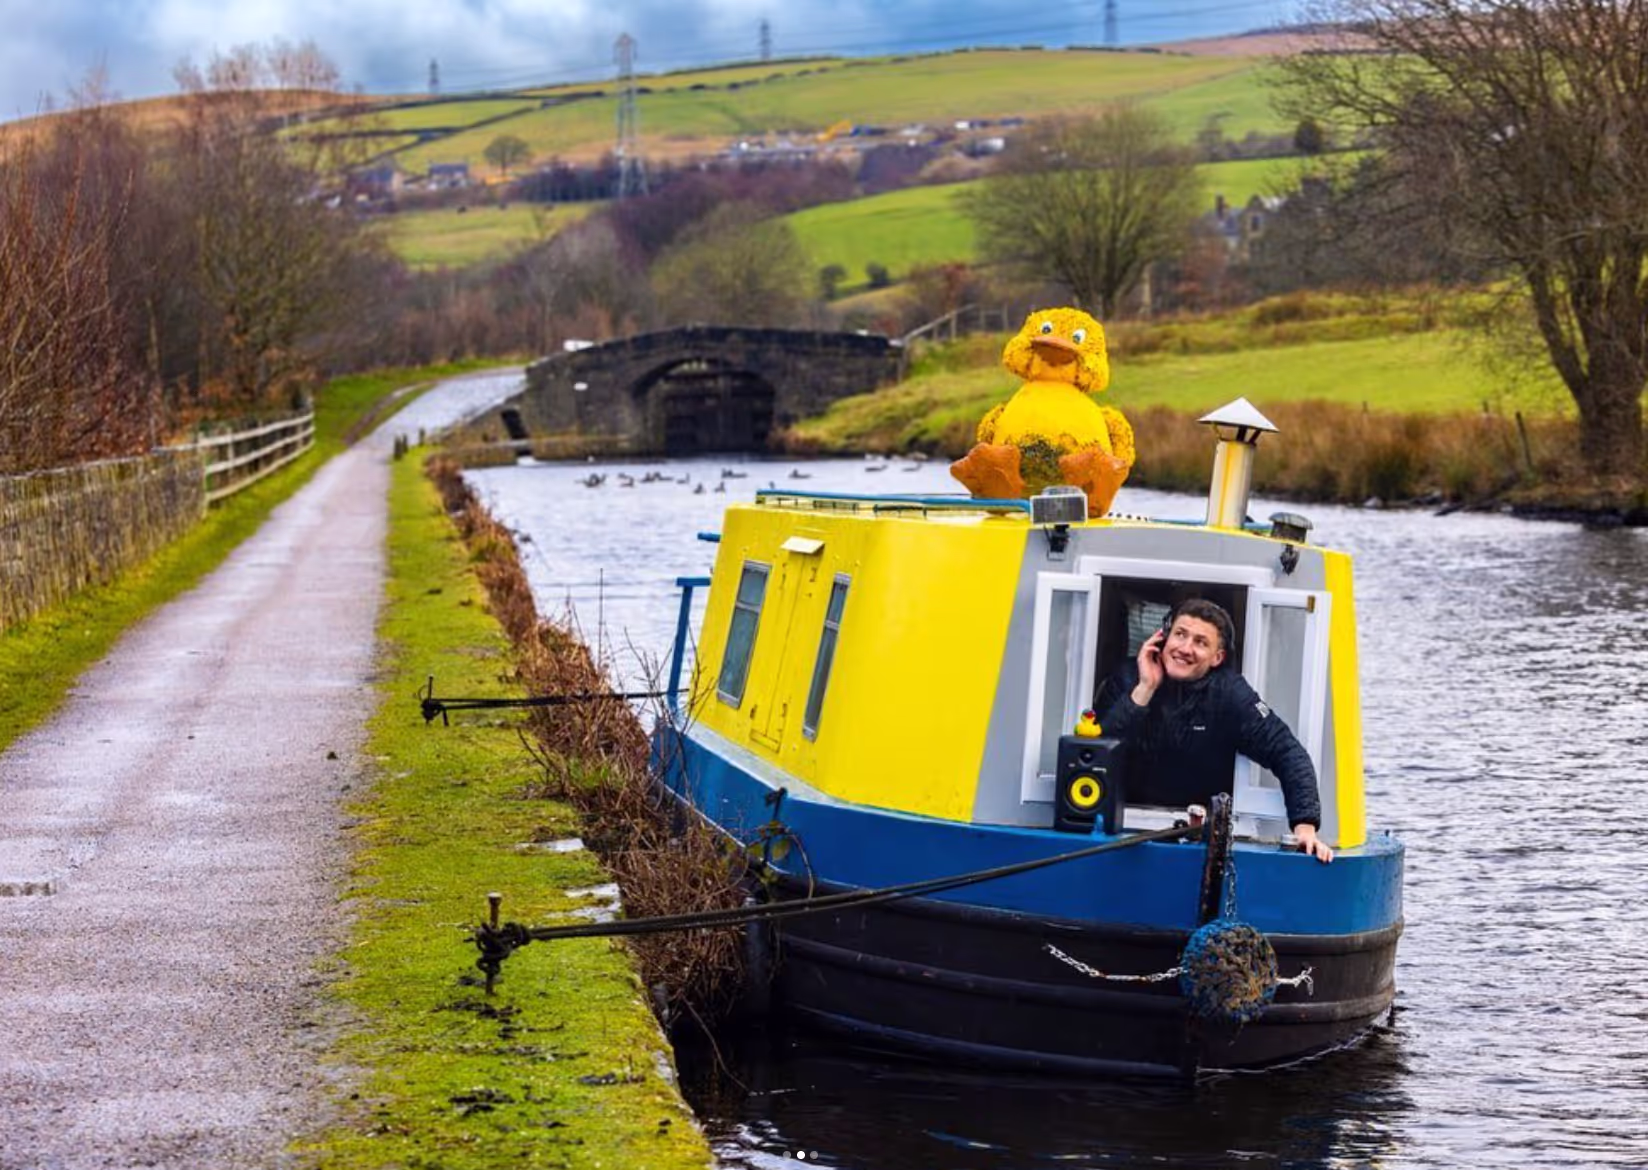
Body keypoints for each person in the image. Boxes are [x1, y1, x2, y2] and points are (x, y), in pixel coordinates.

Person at [1091, 598, 1334, 863]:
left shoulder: (1229, 694)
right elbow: (1097, 756)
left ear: (1217, 657)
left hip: (1197, 833)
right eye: (1180, 634)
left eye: (1200, 642)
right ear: (1163, 638)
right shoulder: (1127, 678)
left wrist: (1305, 827)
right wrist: (1145, 688)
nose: (1185, 648)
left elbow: (1288, 752)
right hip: (1120, 825)